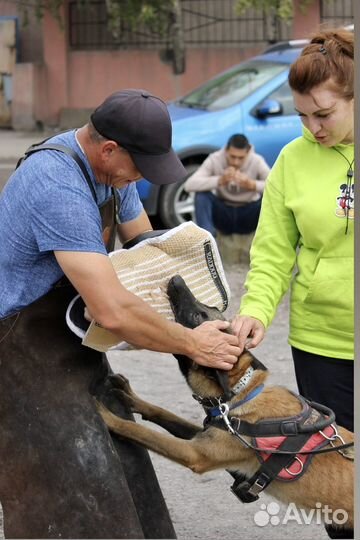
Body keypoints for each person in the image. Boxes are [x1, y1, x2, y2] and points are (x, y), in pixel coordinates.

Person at [0, 89, 241, 539]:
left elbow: (148, 258)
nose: (141, 180)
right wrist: (192, 343)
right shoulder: (55, 183)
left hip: (71, 341)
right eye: (140, 168)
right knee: (68, 489)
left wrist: (202, 319)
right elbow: (111, 309)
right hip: (19, 353)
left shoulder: (114, 176)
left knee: (125, 465)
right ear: (109, 149)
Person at [232, 28, 354, 537]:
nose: (312, 127)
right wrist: (256, 309)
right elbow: (274, 252)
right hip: (321, 344)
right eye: (302, 114)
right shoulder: (291, 159)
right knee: (338, 482)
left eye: (322, 114)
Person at [184, 133, 270, 237]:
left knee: (268, 196)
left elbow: (275, 186)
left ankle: (268, 237)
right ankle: (207, 240)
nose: (236, 162)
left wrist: (251, 184)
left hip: (249, 212)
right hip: (224, 211)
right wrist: (220, 180)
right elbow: (189, 185)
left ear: (248, 153)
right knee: (202, 196)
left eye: (241, 158)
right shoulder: (215, 158)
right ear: (226, 151)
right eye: (232, 156)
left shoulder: (257, 160)